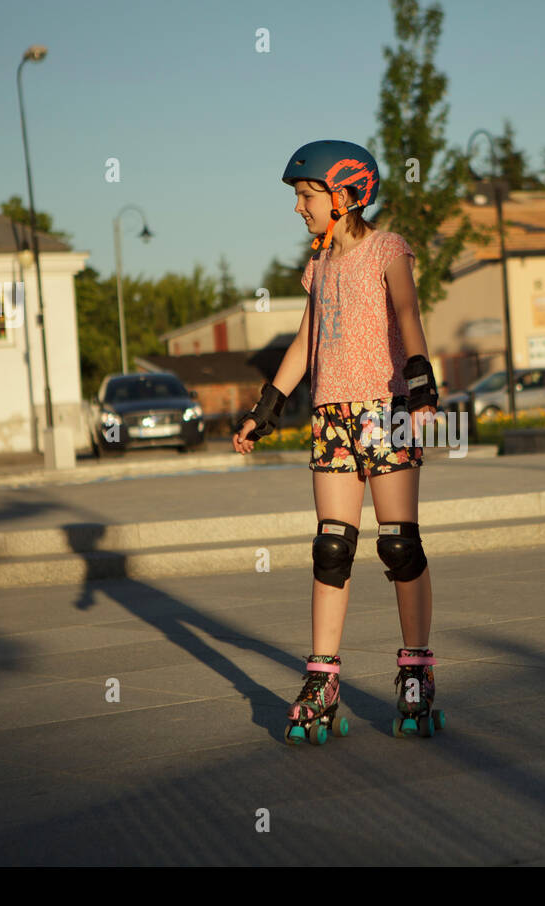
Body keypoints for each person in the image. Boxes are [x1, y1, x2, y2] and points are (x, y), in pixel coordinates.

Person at [231, 140, 444, 744]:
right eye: (298, 197)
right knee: (332, 547)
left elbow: (406, 312)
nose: (298, 208)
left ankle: (416, 672)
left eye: (306, 196)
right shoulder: (317, 267)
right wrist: (264, 409)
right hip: (332, 416)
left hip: (389, 408)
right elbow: (304, 345)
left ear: (347, 194)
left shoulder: (387, 249)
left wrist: (422, 380)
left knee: (400, 544)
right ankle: (322, 679)